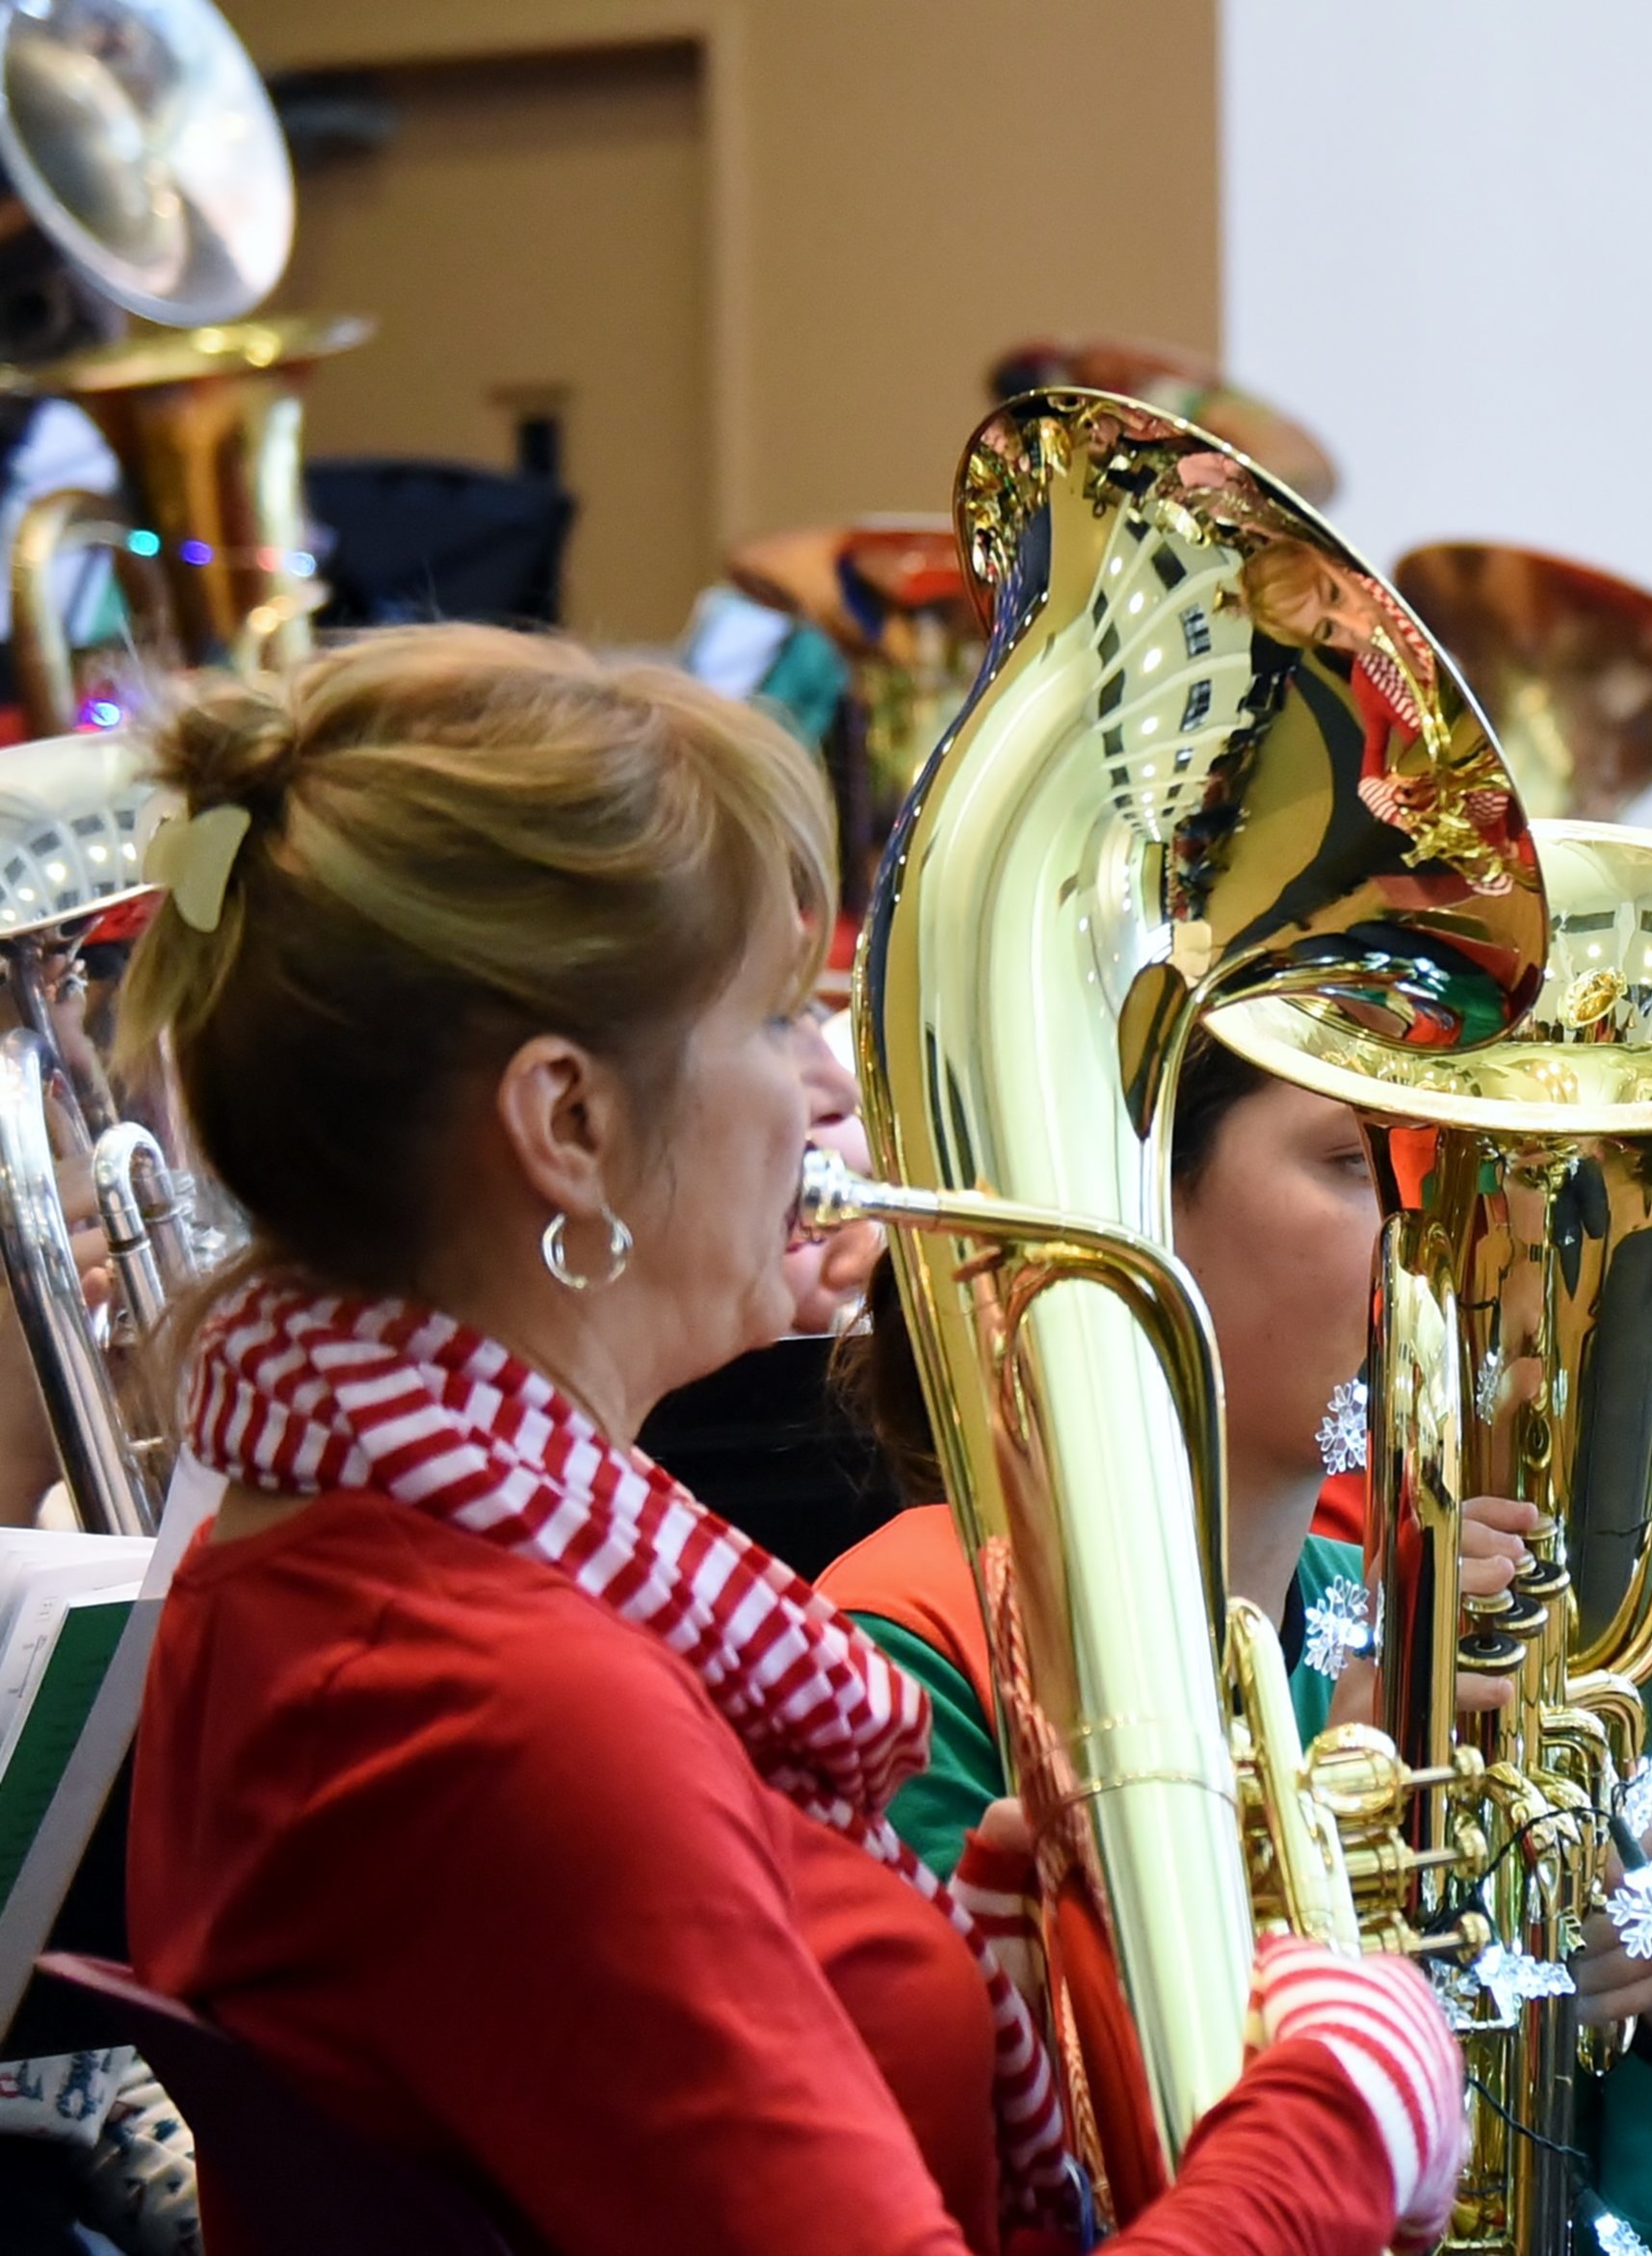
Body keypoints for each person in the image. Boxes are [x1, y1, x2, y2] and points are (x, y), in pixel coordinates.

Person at [116, 624, 1464, 2256]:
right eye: (767, 1020)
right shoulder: (511, 1704)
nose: (825, 1080)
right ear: (568, 1123)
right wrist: (1344, 2101)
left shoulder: (334, 1534)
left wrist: (944, 1948)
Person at [819, 1029, 1652, 2256]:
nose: (1453, 1241)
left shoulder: (1382, 1610)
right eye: (1362, 1161)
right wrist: (1374, 1855)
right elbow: (1033, 2195)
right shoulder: (920, 1632)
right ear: (1135, 1209)